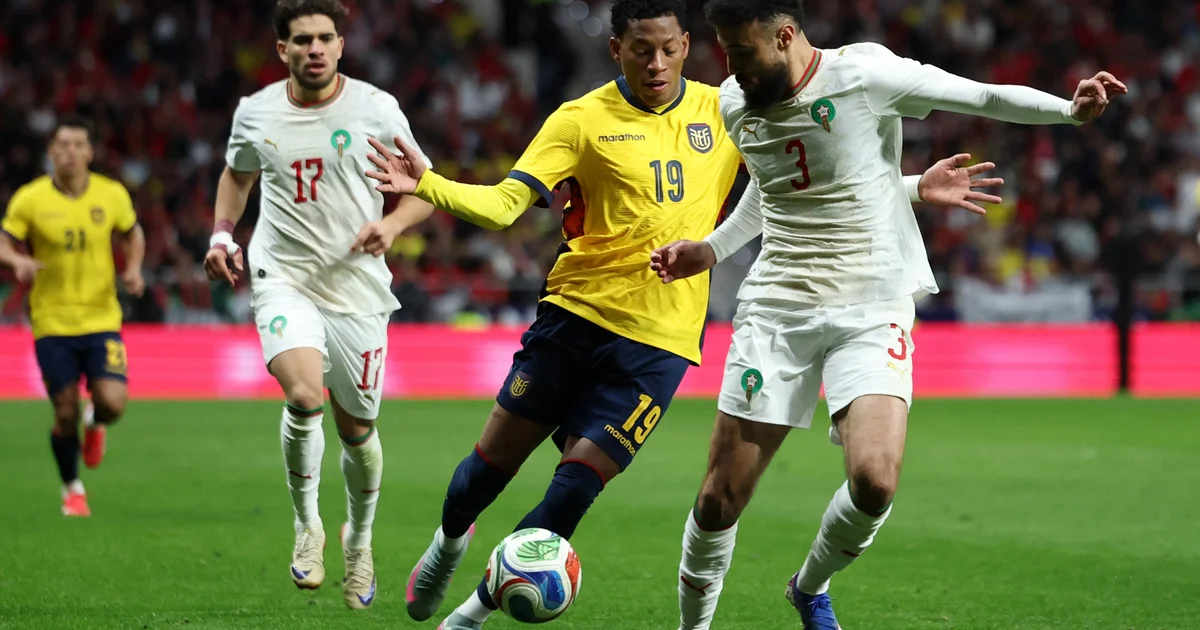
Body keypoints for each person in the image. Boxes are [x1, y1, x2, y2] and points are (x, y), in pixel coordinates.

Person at [365, 1, 1000, 628]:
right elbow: (507, 206)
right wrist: (428, 184)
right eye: (642, 50)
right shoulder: (579, 120)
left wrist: (913, 187)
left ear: (688, 45)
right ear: (616, 49)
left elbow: (805, 178)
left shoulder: (722, 108)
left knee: (575, 488)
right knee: (486, 473)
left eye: (669, 49)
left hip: (659, 343)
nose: (657, 62)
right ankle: (449, 545)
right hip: (574, 316)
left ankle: (472, 614)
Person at [648, 1, 1125, 628]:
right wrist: (709, 249)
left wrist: (1066, 111)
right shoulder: (738, 102)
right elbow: (774, 194)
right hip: (778, 308)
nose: (730, 68)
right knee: (719, 498)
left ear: (785, 35)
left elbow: (977, 96)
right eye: (725, 51)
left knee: (874, 481)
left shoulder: (863, 76)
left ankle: (809, 587)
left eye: (741, 51)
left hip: (871, 300)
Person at [201, 0, 435, 610]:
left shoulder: (376, 109)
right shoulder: (255, 112)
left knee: (357, 428)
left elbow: (427, 190)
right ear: (282, 49)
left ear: (340, 44)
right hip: (284, 276)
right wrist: (223, 236)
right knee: (305, 395)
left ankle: (359, 540)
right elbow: (236, 175)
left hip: (357, 288)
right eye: (302, 40)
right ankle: (309, 527)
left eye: (325, 38)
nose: (315, 49)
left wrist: (394, 226)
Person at [0, 116, 145, 518]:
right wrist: (16, 260)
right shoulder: (30, 199)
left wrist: (133, 268)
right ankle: (72, 488)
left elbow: (133, 233)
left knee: (113, 404)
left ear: (90, 152)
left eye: (78, 144)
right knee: (62, 411)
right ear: (50, 152)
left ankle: (95, 420)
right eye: (62, 145)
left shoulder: (111, 194)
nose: (70, 152)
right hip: (52, 321)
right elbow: (5, 240)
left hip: (102, 319)